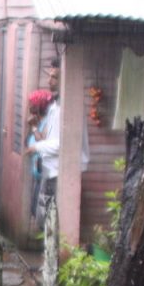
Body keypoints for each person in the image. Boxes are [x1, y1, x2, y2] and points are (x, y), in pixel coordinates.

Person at [24, 60, 89, 226]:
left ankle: (55, 250)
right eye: (49, 76)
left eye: (54, 77)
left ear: (64, 79)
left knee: (49, 221)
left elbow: (63, 144)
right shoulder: (55, 106)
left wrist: (35, 147)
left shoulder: (67, 108)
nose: (49, 81)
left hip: (59, 173)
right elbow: (49, 138)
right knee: (43, 220)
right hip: (50, 170)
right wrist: (34, 129)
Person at [25, 88, 53, 226]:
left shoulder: (47, 123)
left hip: (45, 173)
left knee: (39, 212)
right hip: (37, 172)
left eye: (32, 103)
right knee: (34, 209)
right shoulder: (38, 121)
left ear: (40, 105)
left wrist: (35, 128)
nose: (29, 106)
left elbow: (43, 143)